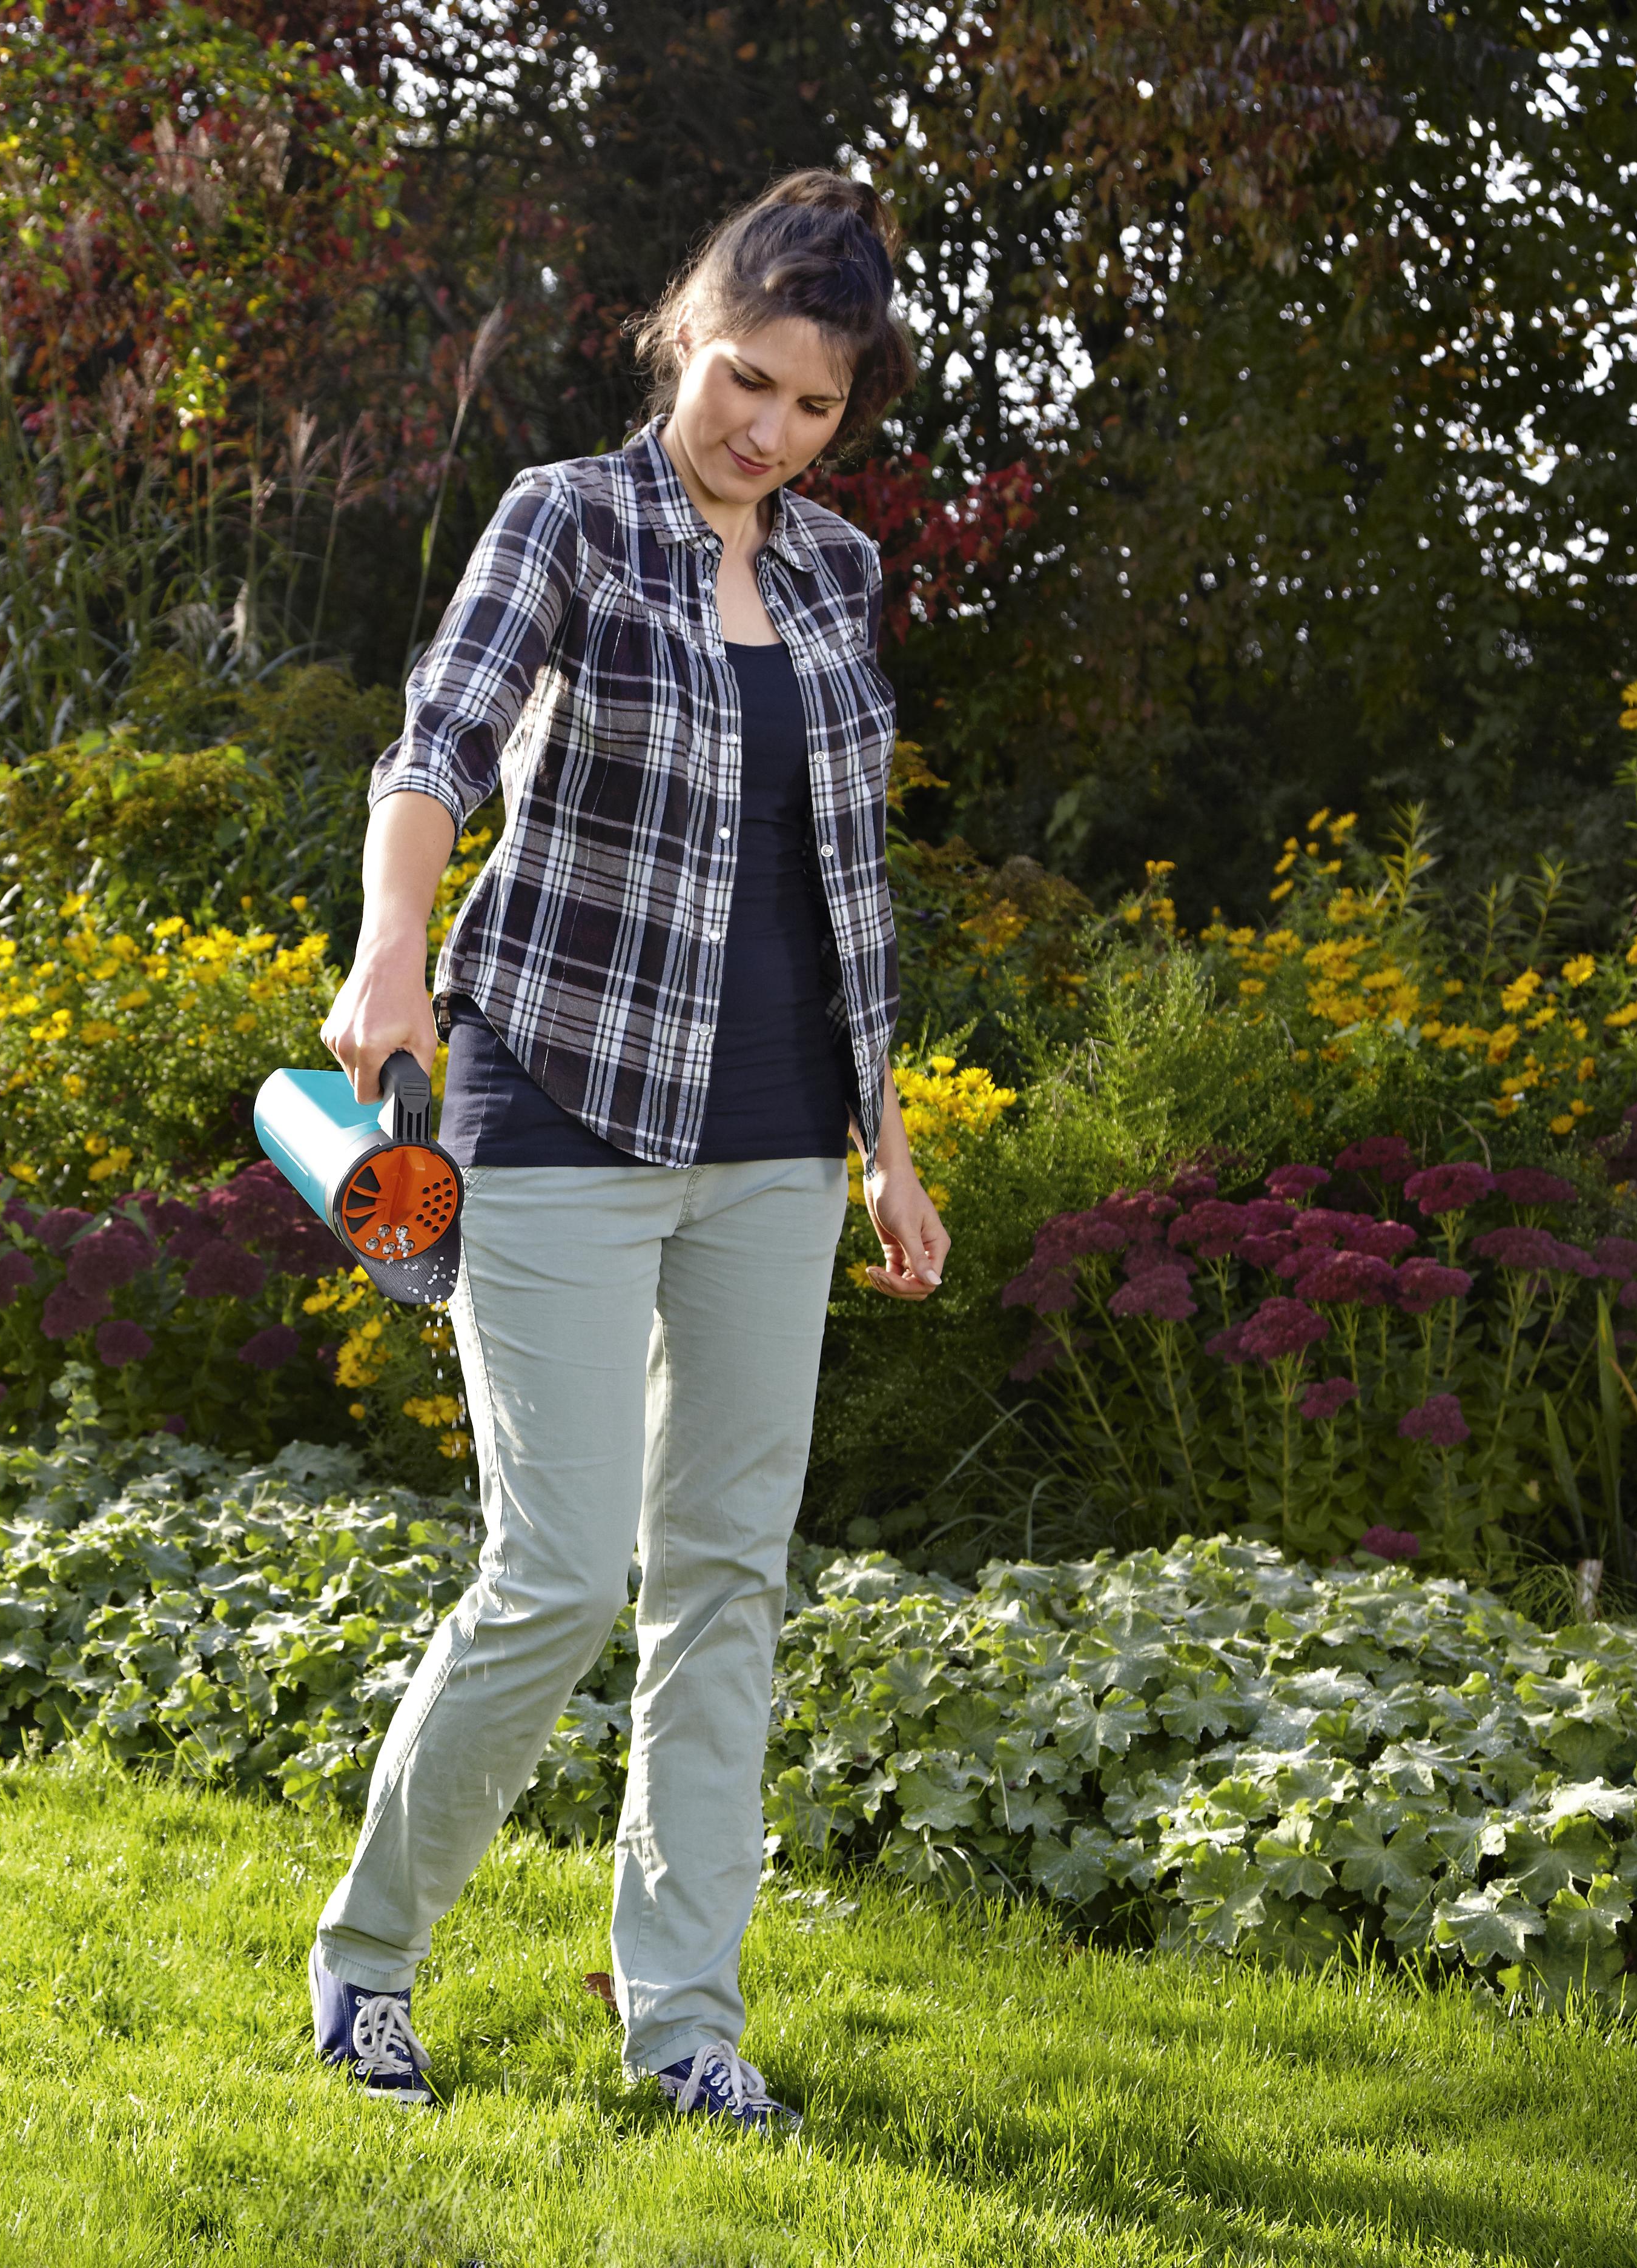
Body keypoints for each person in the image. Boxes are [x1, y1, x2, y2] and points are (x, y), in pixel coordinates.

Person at [305, 169, 951, 2137]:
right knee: (562, 1571)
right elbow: (439, 744)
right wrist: (390, 947)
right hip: (561, 1110)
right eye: (747, 378)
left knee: (727, 1585)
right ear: (688, 333)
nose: (767, 430)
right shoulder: (569, 523)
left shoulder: (835, 576)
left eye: (815, 407)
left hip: (773, 1144)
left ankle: (684, 2024)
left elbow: (844, 882)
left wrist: (889, 1146)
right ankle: (369, 1963)